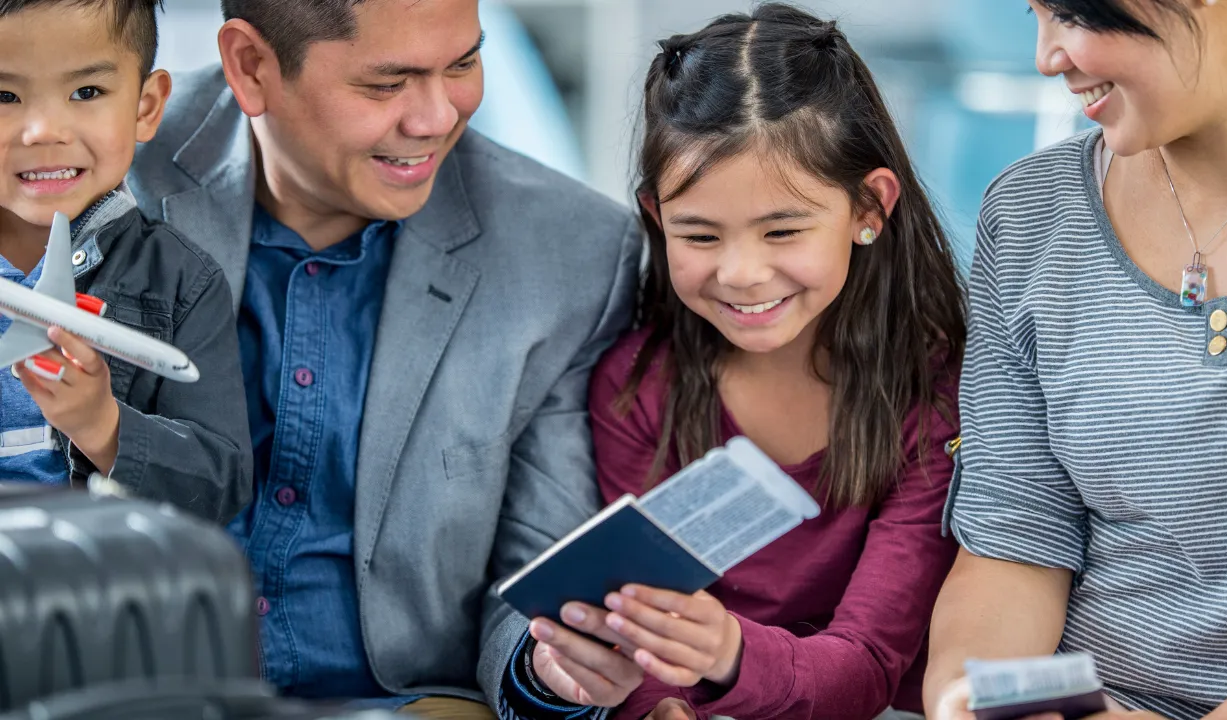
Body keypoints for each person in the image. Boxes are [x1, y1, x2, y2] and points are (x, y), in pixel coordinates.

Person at [126, 0, 641, 715]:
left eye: (463, 63)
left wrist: (550, 667)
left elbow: (538, 568)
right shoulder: (99, 164)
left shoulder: (571, 254)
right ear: (250, 67)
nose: (436, 117)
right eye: (385, 83)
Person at [502, 5, 968, 719]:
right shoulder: (637, 388)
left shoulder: (934, 394)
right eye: (701, 234)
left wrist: (729, 653)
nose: (743, 274)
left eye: (782, 229)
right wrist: (659, 704)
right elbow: (635, 635)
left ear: (870, 207)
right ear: (656, 219)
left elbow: (869, 663)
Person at [925, 1, 1227, 719]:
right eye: (1033, 13)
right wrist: (974, 698)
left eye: (1068, 11)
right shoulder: (1030, 214)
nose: (1047, 56)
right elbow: (1015, 539)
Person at [0, 0, 251, 522]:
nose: (43, 130)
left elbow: (221, 487)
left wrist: (102, 425)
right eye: (4, 95)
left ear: (146, 106)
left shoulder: (183, 283)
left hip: (90, 590)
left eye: (85, 92)